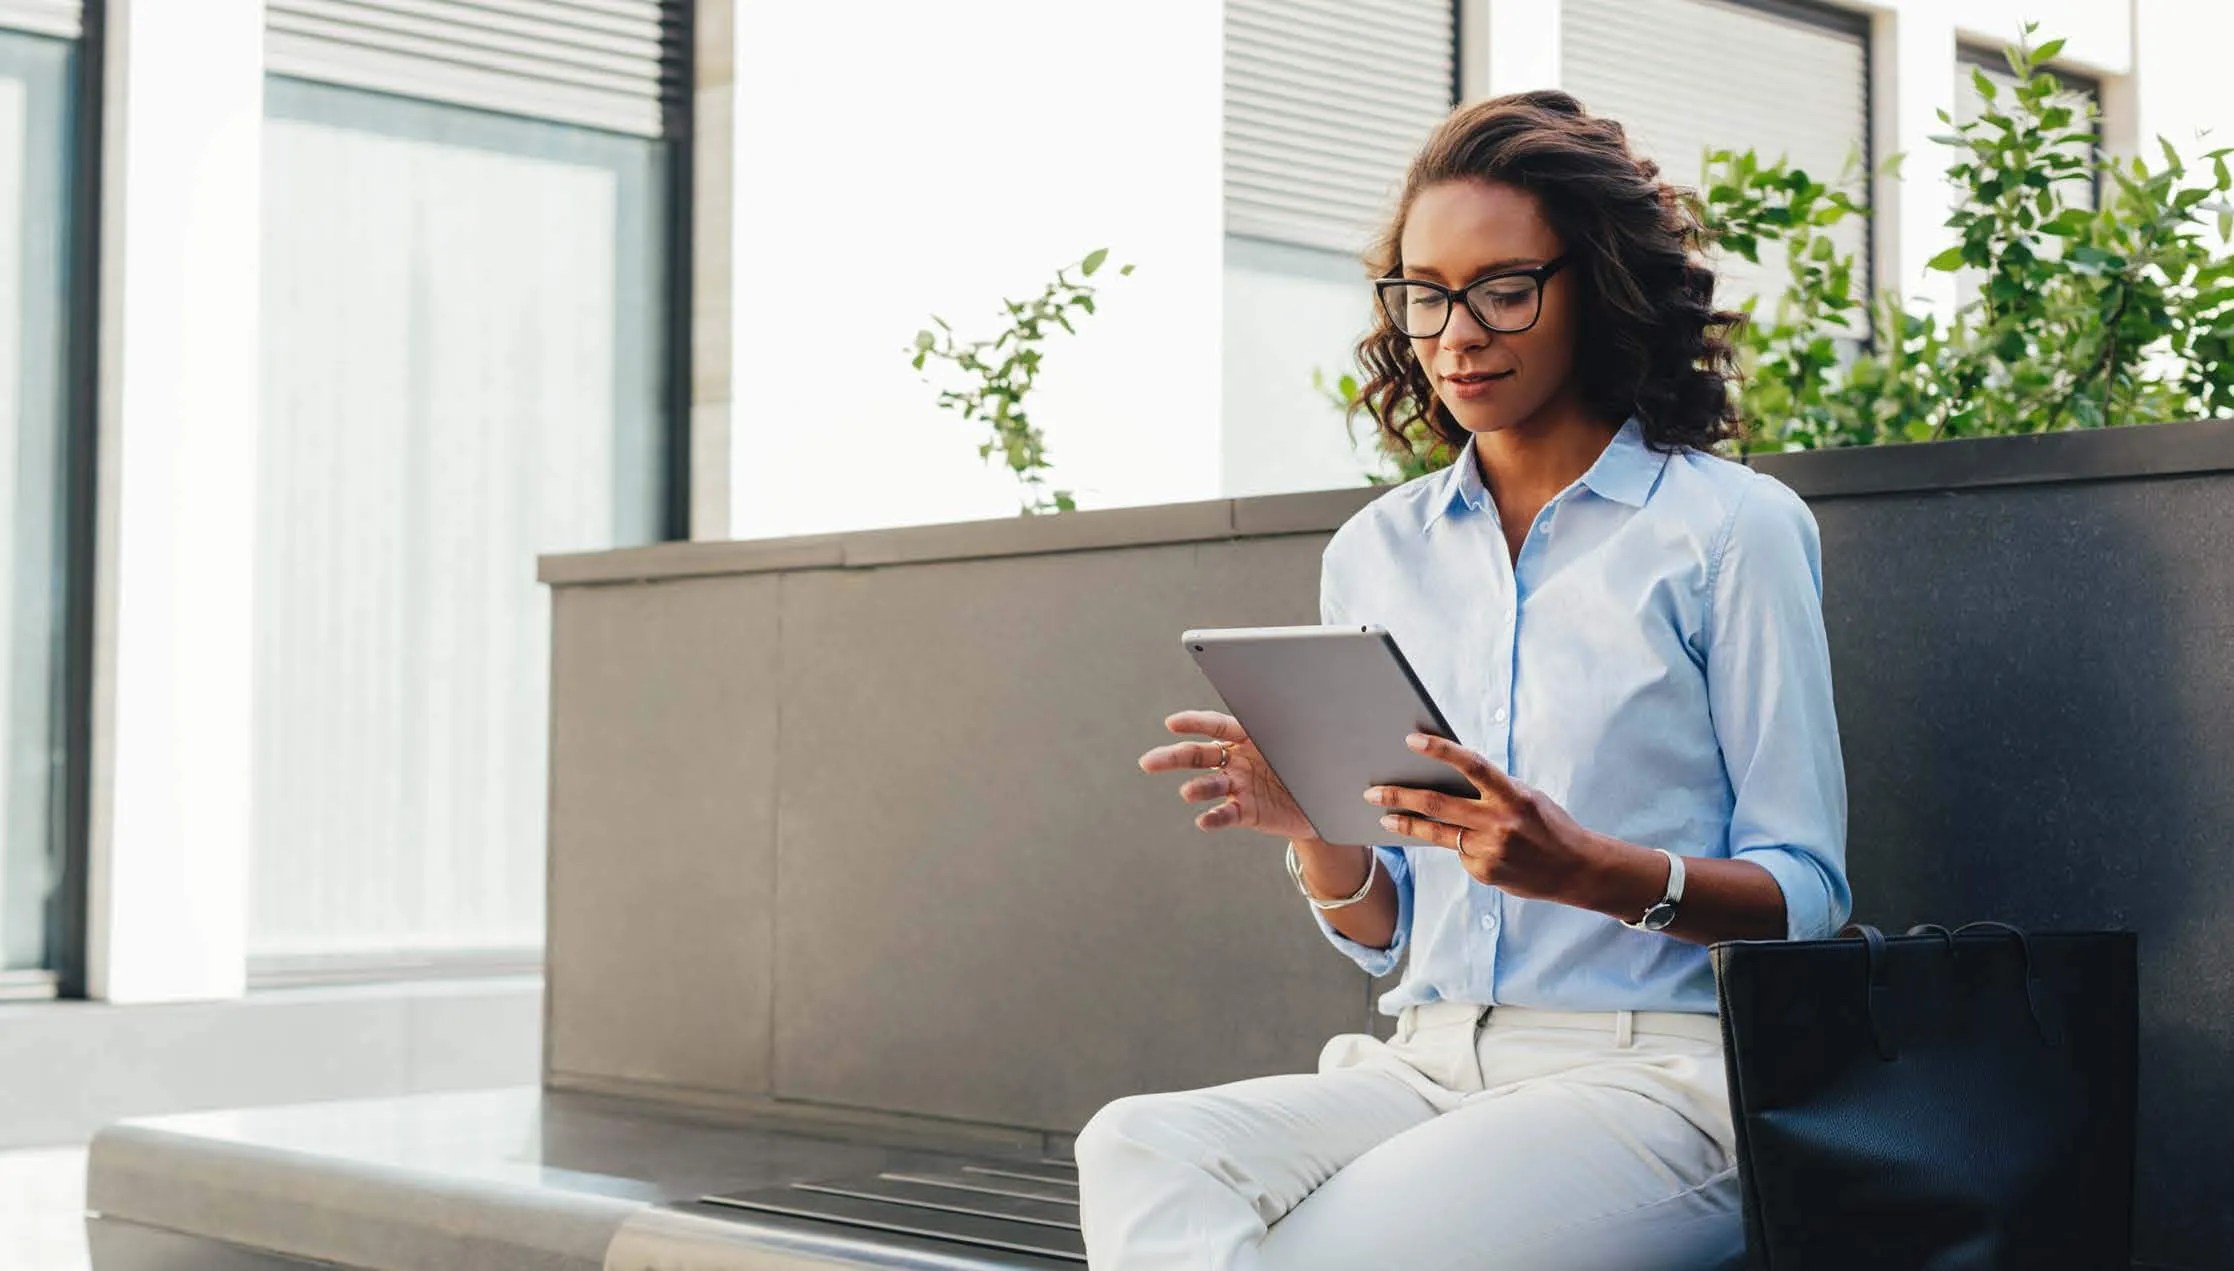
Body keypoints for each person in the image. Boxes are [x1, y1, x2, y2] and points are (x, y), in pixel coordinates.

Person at [1074, 90, 1851, 1270]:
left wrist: (1589, 870)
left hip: (1657, 1078)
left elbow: (1807, 890)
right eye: (1423, 292)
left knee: (1326, 1250)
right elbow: (1387, 929)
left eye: (1502, 288)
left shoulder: (1727, 530)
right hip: (1421, 1060)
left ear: (1593, 287)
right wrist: (1313, 830)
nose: (1456, 331)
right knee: (1138, 1147)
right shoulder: (1375, 551)